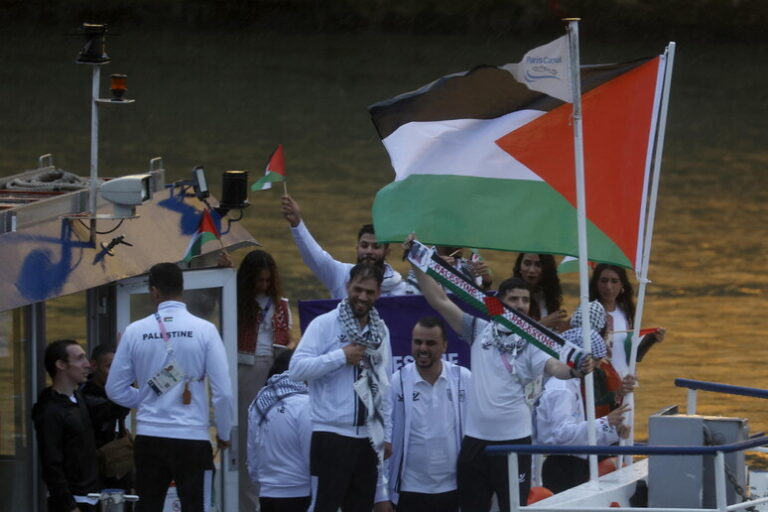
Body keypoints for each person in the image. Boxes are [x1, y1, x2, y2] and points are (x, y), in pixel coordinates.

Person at [410, 248, 593, 511]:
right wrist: (417, 263)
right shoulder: (478, 329)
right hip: (475, 441)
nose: (520, 305)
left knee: (511, 508)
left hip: (514, 443)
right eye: (514, 299)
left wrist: (576, 370)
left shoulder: (533, 342)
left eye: (524, 300)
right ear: (499, 303)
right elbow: (440, 301)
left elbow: (555, 367)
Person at [106, 262, 234, 512]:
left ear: (153, 291)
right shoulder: (206, 330)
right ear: (182, 289)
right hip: (192, 439)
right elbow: (223, 392)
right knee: (197, 507)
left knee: (149, 507)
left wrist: (144, 399)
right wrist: (224, 433)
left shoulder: (135, 331)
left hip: (149, 438)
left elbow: (115, 389)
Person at [289, 263, 393, 512]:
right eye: (358, 289)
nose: (362, 297)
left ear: (378, 294)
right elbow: (296, 370)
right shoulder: (324, 324)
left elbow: (384, 384)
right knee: (323, 507)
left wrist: (386, 435)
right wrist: (340, 356)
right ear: (347, 287)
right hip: (330, 435)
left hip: (368, 438)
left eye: (369, 292)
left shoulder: (381, 331)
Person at [376, 316, 471, 512]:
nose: (423, 349)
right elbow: (381, 441)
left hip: (455, 489)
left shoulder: (463, 378)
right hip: (409, 490)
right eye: (417, 342)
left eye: (431, 343)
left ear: (444, 346)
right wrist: (381, 494)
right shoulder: (396, 383)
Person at [535, 323, 633, 494]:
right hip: (563, 467)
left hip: (572, 463)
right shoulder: (562, 389)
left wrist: (613, 430)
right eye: (594, 360)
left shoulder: (570, 384)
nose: (596, 366)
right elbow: (561, 434)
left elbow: (575, 430)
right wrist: (606, 422)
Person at [235, 249, 292, 509]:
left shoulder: (282, 305)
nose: (264, 286)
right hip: (246, 370)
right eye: (259, 281)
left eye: (268, 281)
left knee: (274, 436)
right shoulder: (235, 302)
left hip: (275, 372)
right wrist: (224, 271)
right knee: (248, 437)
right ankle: (248, 503)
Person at [281, 193, 407, 298]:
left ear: (387, 251)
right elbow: (315, 257)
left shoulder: (400, 289)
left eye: (376, 247)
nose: (369, 251)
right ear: (357, 248)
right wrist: (297, 224)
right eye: (364, 245)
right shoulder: (341, 275)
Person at [32, 339, 100, 512]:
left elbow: (115, 409)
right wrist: (69, 506)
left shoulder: (78, 398)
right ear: (61, 365)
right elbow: (51, 465)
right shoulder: (50, 410)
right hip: (73, 502)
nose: (87, 365)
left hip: (91, 497)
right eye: (80, 358)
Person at [247, 349, 312, 512]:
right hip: (300, 495)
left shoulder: (259, 404)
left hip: (267, 495)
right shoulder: (306, 404)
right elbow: (312, 458)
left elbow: (252, 459)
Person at [589, 263, 666, 378]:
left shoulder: (625, 313)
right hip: (601, 382)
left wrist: (652, 339)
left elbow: (631, 354)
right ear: (596, 284)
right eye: (604, 281)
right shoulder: (589, 313)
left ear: (622, 285)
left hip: (626, 381)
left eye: (614, 281)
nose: (609, 287)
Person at [81, 344, 132, 492]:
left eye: (119, 369)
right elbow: (118, 408)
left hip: (118, 463)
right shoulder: (86, 394)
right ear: (94, 366)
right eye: (110, 367)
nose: (115, 374)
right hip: (93, 466)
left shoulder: (111, 391)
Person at [513, 253, 568, 331]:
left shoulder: (547, 296)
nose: (532, 270)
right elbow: (508, 334)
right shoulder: (509, 294)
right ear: (520, 267)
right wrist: (543, 324)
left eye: (538, 265)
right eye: (527, 264)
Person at [404, 246, 492, 294]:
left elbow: (486, 308)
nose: (462, 244)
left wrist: (486, 283)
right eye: (455, 238)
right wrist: (434, 273)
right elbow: (411, 300)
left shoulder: (469, 267)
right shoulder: (422, 266)